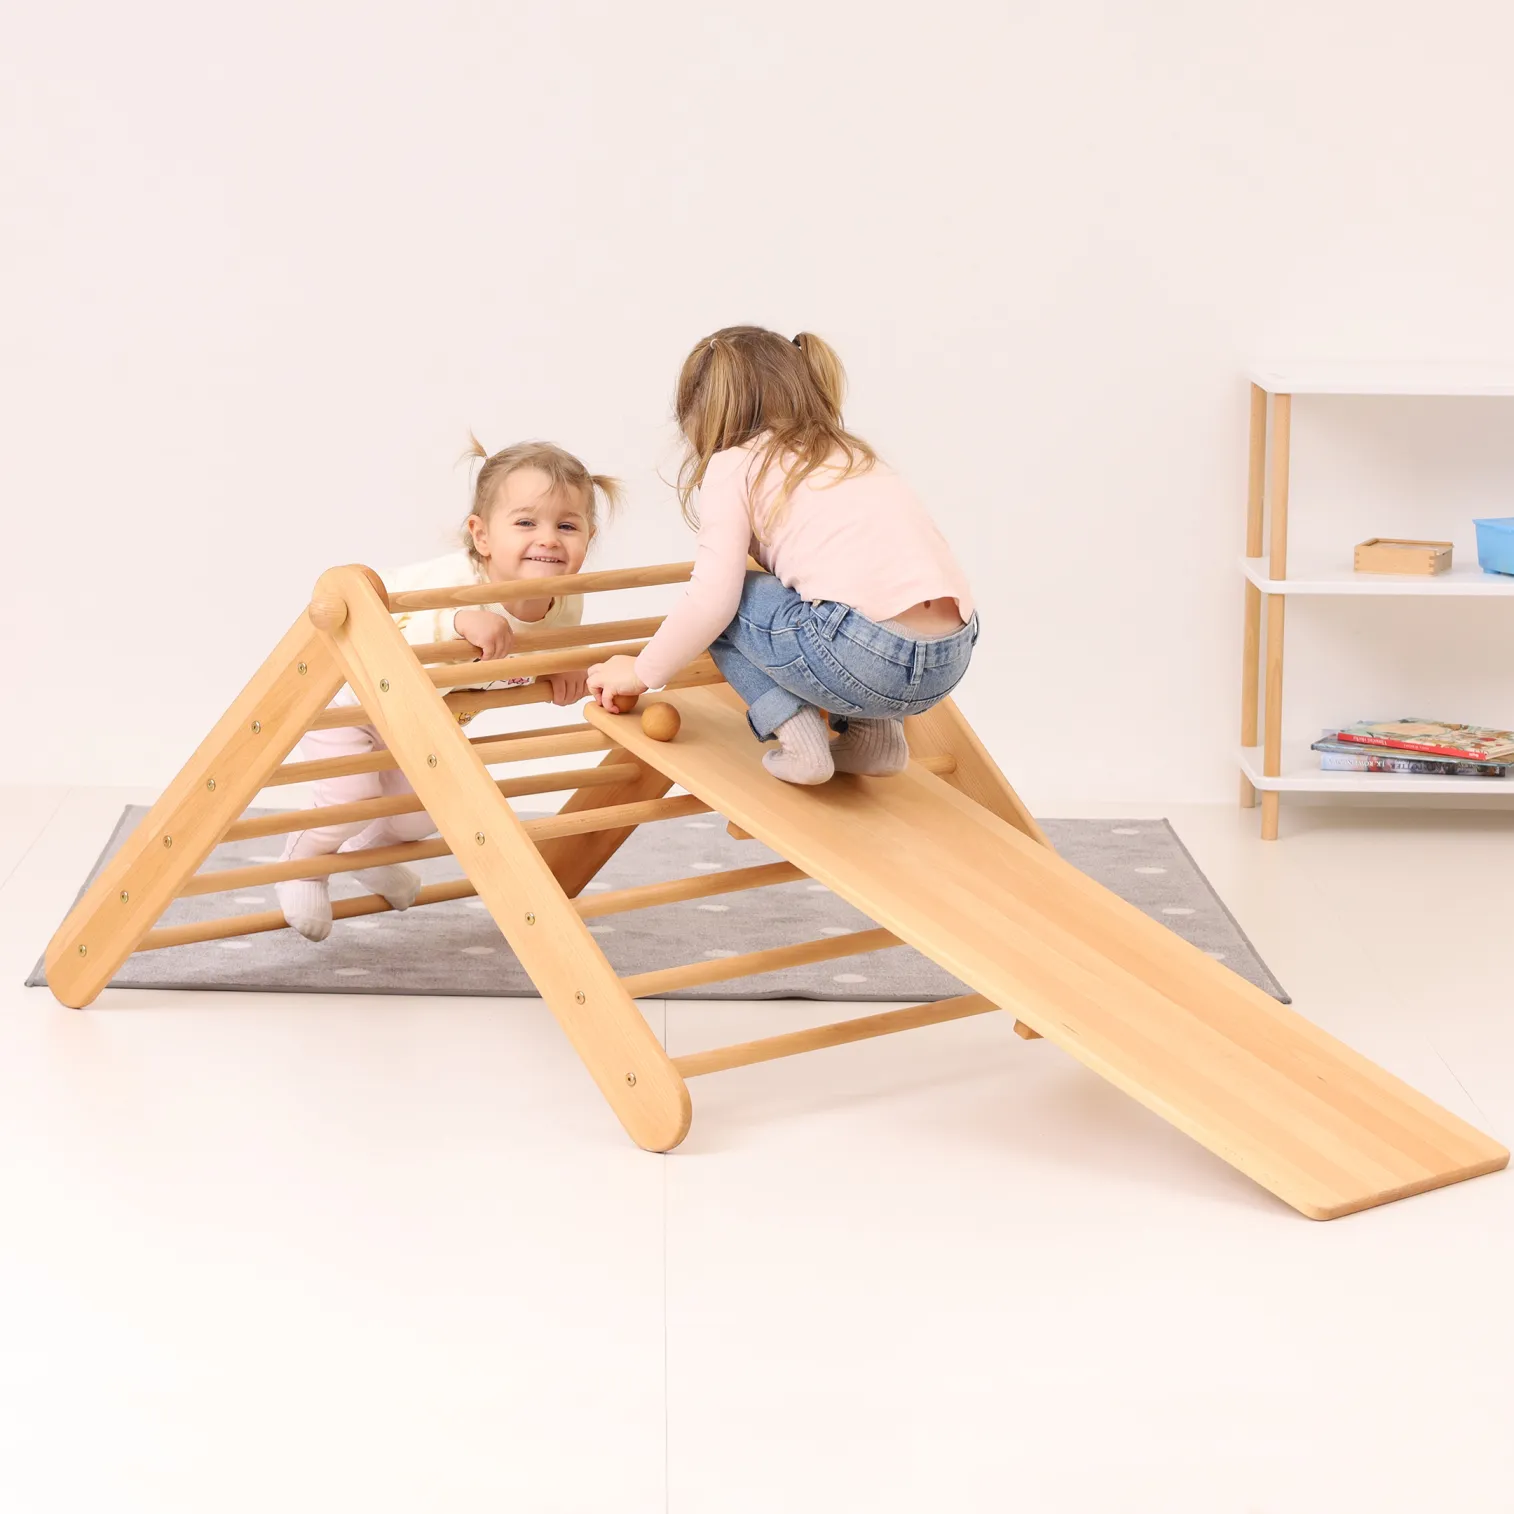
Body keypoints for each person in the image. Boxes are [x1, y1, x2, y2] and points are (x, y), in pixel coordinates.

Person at [587, 326, 975, 784]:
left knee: (732, 604)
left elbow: (711, 601)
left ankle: (801, 741)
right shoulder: (850, 451)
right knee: (844, 594)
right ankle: (877, 739)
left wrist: (641, 671)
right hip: (952, 654)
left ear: (703, 412)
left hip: (862, 654)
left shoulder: (733, 462)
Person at [276, 438, 619, 940]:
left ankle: (364, 853)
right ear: (481, 536)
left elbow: (539, 651)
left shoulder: (564, 604)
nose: (548, 539)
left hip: (422, 718)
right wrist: (457, 620)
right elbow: (373, 621)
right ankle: (303, 865)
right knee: (349, 794)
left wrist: (561, 668)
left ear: (588, 538)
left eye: (567, 525)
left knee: (420, 812)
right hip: (354, 699)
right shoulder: (456, 582)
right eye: (526, 522)